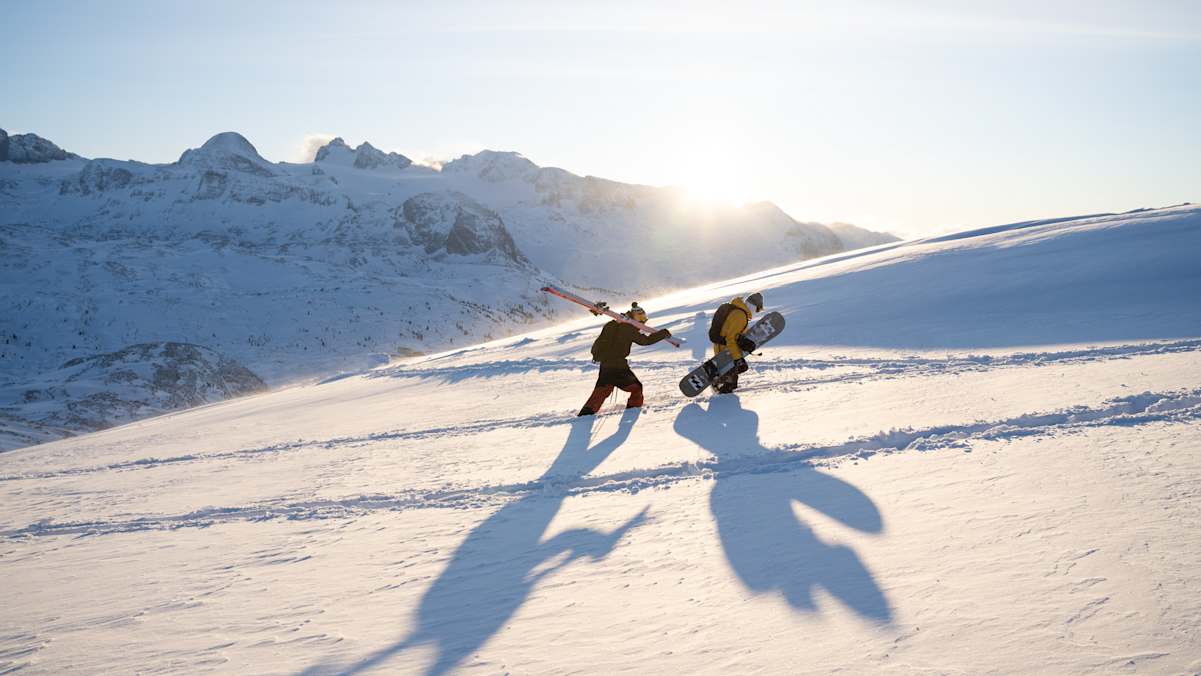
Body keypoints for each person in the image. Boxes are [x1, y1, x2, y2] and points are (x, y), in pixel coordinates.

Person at [578, 303, 672, 416]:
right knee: (636, 388)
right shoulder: (628, 329)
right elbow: (645, 341)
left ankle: (585, 414)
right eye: (641, 319)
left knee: (601, 391)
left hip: (605, 365)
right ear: (635, 318)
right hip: (618, 366)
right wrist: (663, 334)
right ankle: (632, 412)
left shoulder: (610, 325)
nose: (642, 322)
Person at [709, 291, 764, 394]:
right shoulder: (740, 315)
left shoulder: (738, 311)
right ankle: (718, 385)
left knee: (738, 372)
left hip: (723, 347)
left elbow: (734, 335)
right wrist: (737, 358)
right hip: (725, 350)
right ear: (753, 306)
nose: (756, 312)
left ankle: (718, 380)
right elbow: (731, 339)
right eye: (757, 309)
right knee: (730, 384)